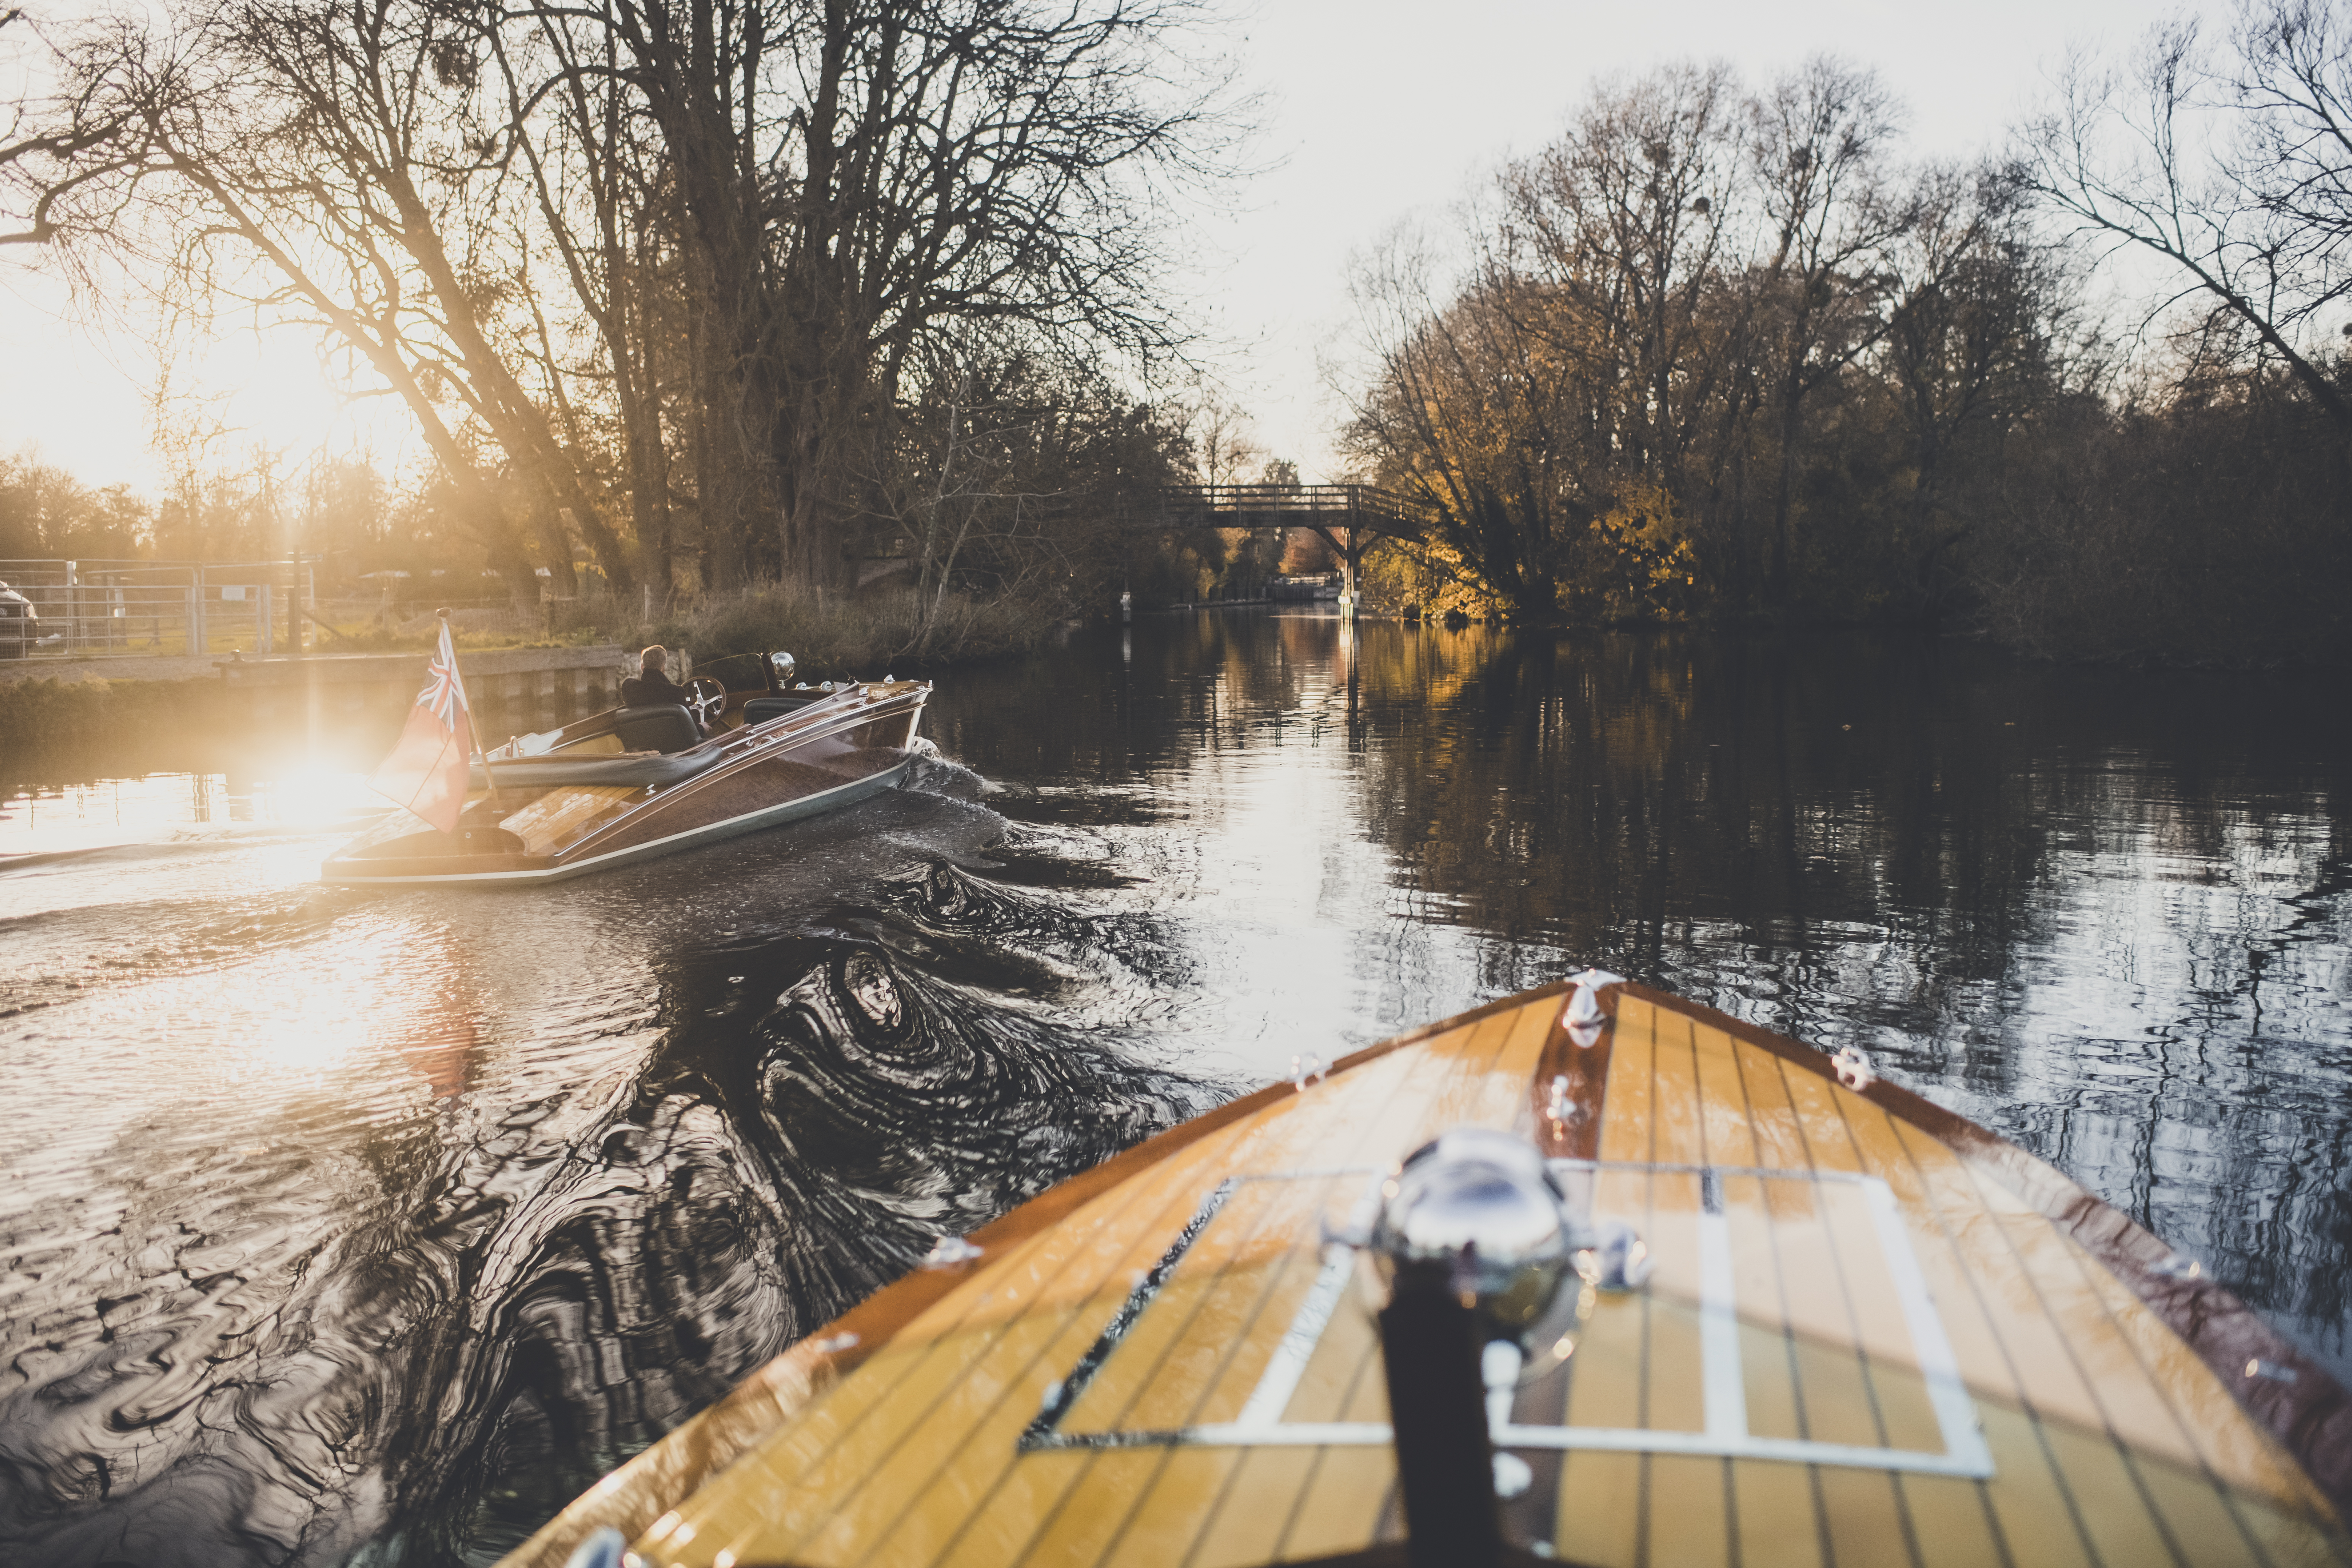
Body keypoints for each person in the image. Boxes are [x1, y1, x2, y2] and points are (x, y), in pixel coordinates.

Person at [621, 645, 706, 731]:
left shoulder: (629, 688)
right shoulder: (675, 692)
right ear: (663, 667)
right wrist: (702, 727)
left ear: (642, 667)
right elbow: (692, 728)